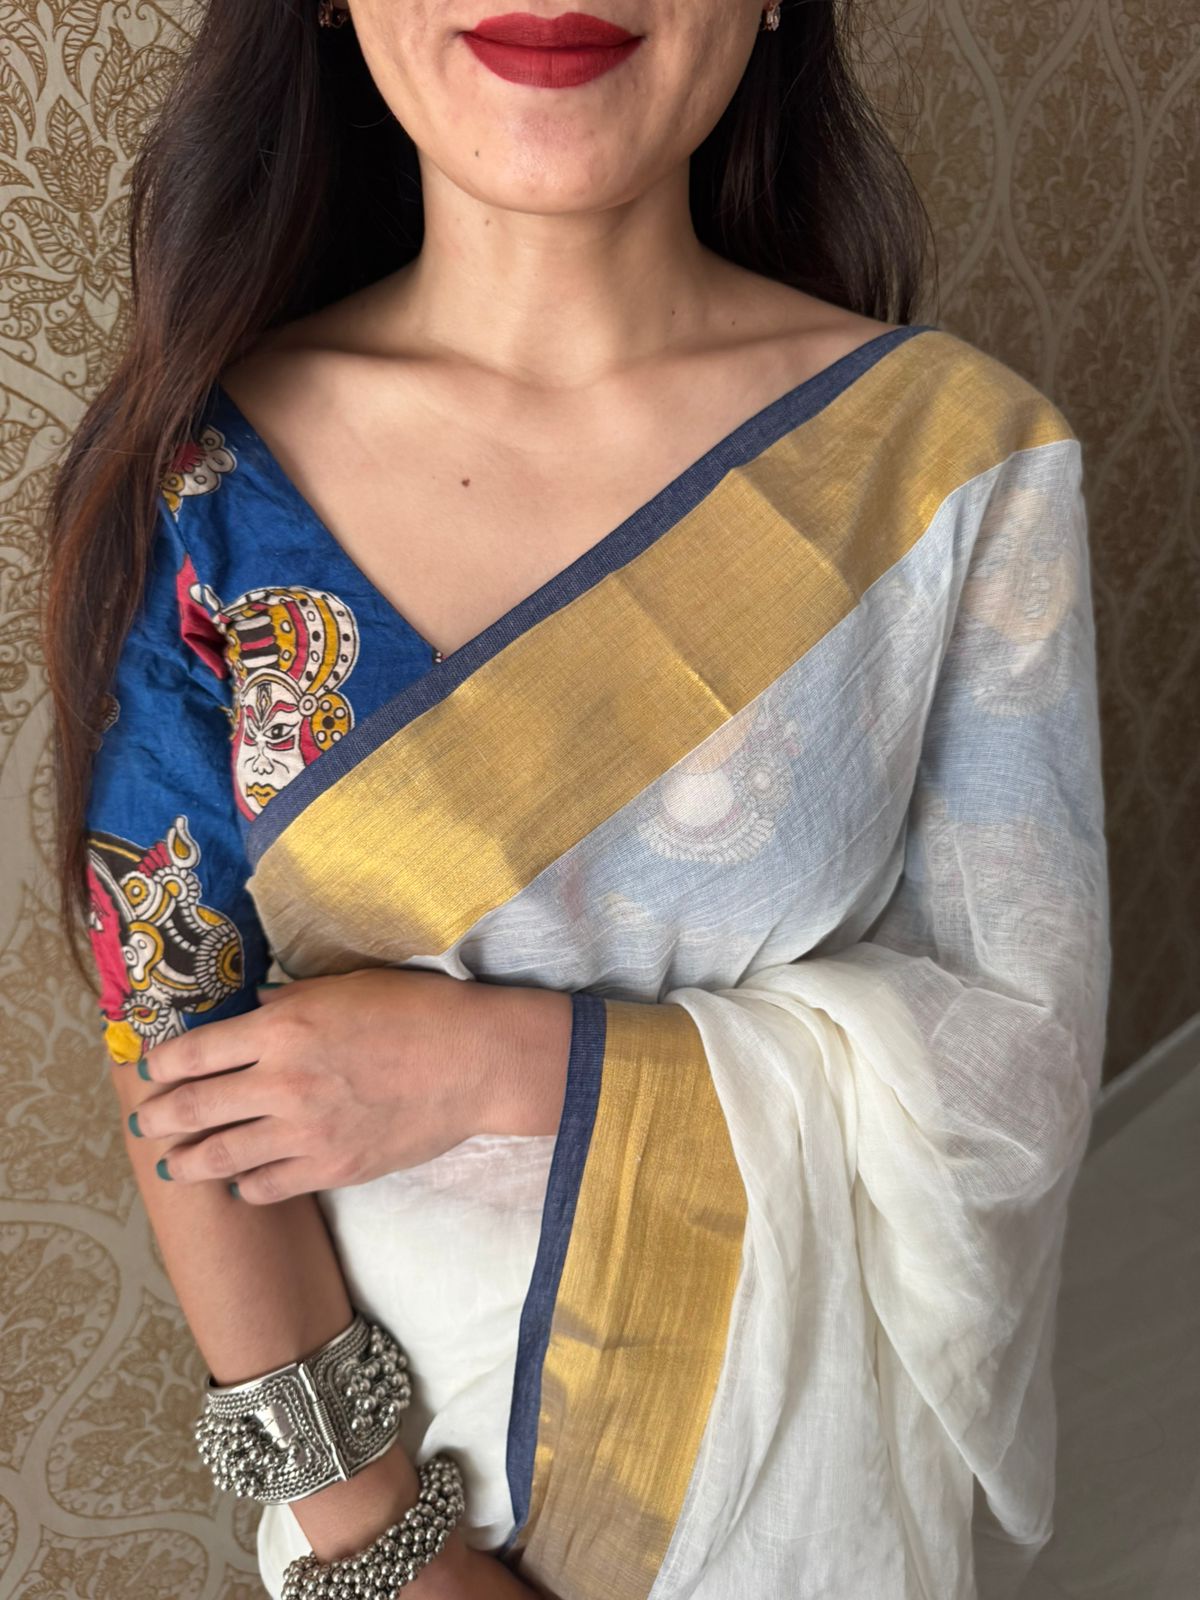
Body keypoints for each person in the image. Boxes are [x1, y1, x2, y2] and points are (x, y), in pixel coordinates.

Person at [40, 1, 1111, 1597]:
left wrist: (499, 1067)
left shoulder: (950, 461)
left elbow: (1020, 1056)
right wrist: (390, 1552)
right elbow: (178, 1064)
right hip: (404, 1505)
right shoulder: (203, 489)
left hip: (806, 1506)